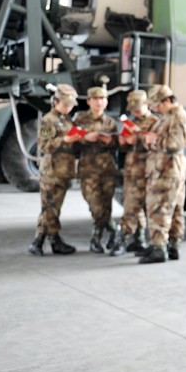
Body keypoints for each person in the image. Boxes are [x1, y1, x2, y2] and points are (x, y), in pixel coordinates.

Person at [138, 84, 186, 264]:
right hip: (167, 169)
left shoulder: (177, 116)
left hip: (167, 170)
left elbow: (175, 144)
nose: (155, 109)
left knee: (160, 208)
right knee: (174, 209)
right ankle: (172, 246)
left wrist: (154, 140)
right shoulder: (168, 116)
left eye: (157, 105)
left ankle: (159, 247)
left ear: (167, 100)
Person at [28, 84, 81, 256]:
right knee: (49, 206)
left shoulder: (67, 120)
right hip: (51, 170)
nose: (68, 108)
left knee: (54, 206)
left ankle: (50, 240)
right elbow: (44, 146)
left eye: (71, 105)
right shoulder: (48, 120)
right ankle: (41, 240)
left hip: (64, 170)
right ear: (55, 102)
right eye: (65, 105)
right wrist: (65, 140)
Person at [109, 89, 159, 256]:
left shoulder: (155, 122)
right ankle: (136, 239)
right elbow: (124, 145)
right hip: (132, 171)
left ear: (146, 104)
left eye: (138, 108)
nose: (135, 112)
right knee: (131, 205)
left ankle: (126, 239)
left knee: (142, 207)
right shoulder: (130, 122)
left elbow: (157, 144)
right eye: (133, 109)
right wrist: (123, 141)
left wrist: (138, 137)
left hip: (148, 171)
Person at [74, 86, 119, 253]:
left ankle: (96, 239)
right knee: (96, 206)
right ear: (88, 101)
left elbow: (117, 145)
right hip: (88, 168)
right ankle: (114, 230)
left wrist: (110, 141)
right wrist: (85, 138)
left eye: (102, 99)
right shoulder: (79, 120)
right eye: (95, 99)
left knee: (106, 205)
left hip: (107, 168)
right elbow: (71, 140)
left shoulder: (110, 122)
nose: (99, 102)